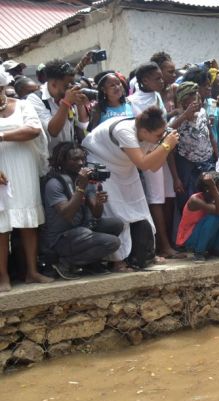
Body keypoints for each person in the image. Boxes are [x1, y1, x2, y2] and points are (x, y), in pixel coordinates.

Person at [82, 106, 179, 271]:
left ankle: (147, 253)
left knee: (139, 208)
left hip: (126, 166)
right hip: (102, 164)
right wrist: (167, 146)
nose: (160, 138)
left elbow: (153, 167)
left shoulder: (149, 136)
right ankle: (117, 261)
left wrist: (165, 145)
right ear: (144, 131)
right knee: (116, 211)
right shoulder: (124, 131)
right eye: (157, 135)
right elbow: (142, 163)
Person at [0, 67, 52, 291]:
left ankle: (32, 271)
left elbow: (33, 130)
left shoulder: (22, 105)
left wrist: (1, 135)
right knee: (1, 227)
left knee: (28, 222)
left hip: (23, 168)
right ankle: (3, 277)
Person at [42, 143, 123, 278]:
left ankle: (90, 263)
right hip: (61, 238)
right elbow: (67, 214)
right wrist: (81, 188)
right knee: (112, 242)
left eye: (82, 159)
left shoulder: (84, 179)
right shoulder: (54, 183)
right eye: (74, 159)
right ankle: (64, 263)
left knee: (116, 224)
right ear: (62, 161)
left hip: (80, 231)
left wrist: (98, 203)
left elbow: (96, 214)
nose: (80, 163)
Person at [128, 62, 179, 259]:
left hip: (164, 150)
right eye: (156, 78)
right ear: (144, 80)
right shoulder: (132, 101)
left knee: (168, 196)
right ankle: (162, 245)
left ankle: (168, 242)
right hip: (149, 152)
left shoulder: (157, 96)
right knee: (156, 198)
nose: (161, 81)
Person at [170, 81, 217, 213]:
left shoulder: (203, 113)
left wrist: (217, 158)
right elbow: (168, 149)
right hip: (188, 167)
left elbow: (211, 137)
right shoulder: (177, 120)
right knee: (190, 203)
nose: (198, 99)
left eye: (198, 96)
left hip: (207, 163)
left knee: (210, 197)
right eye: (193, 97)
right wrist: (176, 179)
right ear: (184, 102)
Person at [27, 59, 89, 153]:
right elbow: (53, 131)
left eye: (73, 83)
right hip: (47, 160)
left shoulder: (68, 96)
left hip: (69, 159)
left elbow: (83, 125)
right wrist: (66, 103)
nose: (71, 87)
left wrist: (80, 105)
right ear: (54, 85)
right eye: (67, 85)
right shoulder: (35, 99)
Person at [176, 172, 219, 262]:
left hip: (203, 234)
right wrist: (213, 187)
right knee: (215, 217)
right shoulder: (195, 200)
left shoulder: (214, 199)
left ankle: (217, 249)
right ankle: (199, 252)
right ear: (208, 189)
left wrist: (215, 191)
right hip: (191, 239)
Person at [150, 52, 178, 118]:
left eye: (174, 71)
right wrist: (174, 112)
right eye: (170, 72)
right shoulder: (150, 94)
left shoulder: (175, 89)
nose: (174, 75)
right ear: (158, 72)